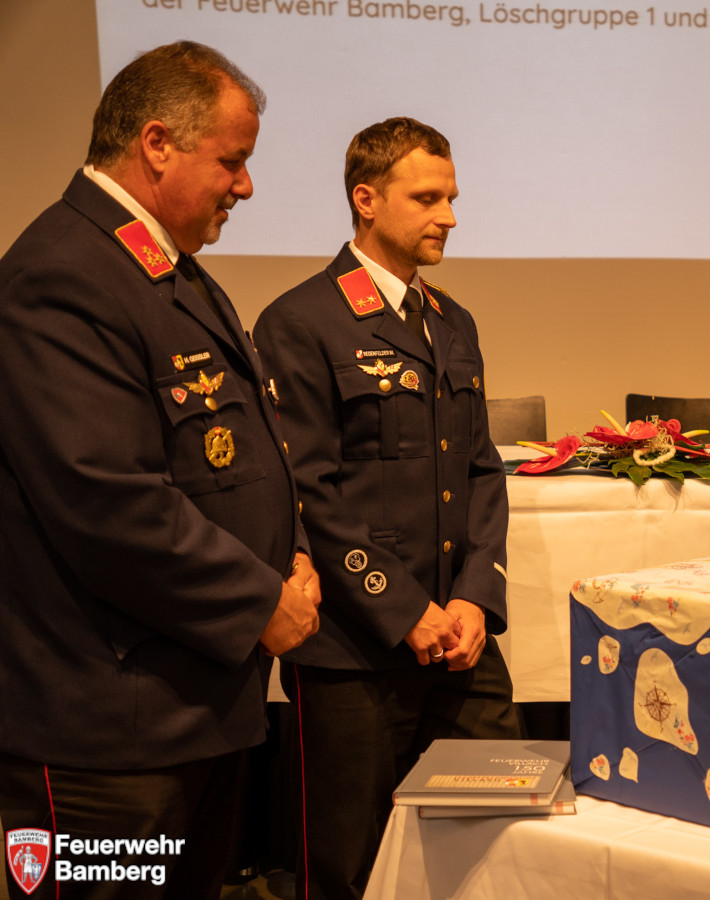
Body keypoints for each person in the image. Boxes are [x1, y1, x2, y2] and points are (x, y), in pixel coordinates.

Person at [0, 41, 321, 898]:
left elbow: (245, 453)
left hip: (191, 712)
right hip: (109, 739)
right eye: (233, 161)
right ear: (156, 143)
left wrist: (291, 551)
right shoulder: (61, 275)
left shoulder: (165, 271)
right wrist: (260, 602)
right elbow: (108, 503)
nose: (245, 187)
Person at [253, 117, 522, 900]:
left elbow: (480, 471)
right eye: (428, 199)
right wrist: (404, 610)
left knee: (498, 840)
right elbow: (307, 491)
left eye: (452, 198)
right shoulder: (300, 321)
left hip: (457, 642)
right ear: (365, 199)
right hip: (355, 651)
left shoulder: (452, 321)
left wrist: (474, 598)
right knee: (348, 864)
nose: (450, 216)